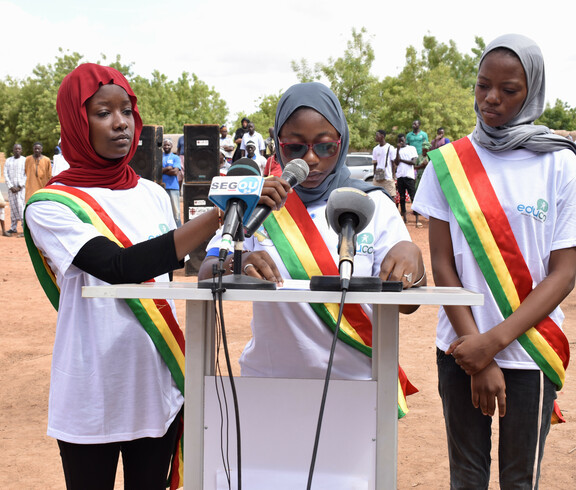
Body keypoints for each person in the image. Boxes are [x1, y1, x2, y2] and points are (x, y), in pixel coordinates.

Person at [23, 63, 288, 490]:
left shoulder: (150, 193)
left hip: (156, 382)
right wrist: (223, 210)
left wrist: (233, 260)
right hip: (94, 388)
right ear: (76, 121)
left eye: (126, 110)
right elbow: (120, 268)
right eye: (102, 112)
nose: (120, 123)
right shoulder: (50, 205)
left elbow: (171, 273)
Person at [412, 34, 576, 489]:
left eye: (509, 90)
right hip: (461, 350)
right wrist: (478, 354)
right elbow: (443, 264)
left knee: (521, 480)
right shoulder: (448, 163)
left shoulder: (560, 165)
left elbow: (564, 272)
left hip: (531, 350)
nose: (491, 99)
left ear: (534, 91)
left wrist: (495, 344)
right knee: (466, 478)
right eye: (484, 85)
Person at [198, 82, 424, 402]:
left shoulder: (373, 204)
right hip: (269, 384)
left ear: (341, 142)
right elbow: (207, 272)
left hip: (358, 387)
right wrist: (239, 261)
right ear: (278, 144)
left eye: (325, 146)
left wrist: (412, 257)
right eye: (294, 147)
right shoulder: (259, 204)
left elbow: (409, 303)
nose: (310, 160)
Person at [393, 133, 419, 226]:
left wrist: (401, 160)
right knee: (402, 198)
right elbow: (396, 162)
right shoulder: (396, 150)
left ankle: (417, 220)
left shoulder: (411, 148)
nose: (401, 141)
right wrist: (398, 151)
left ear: (405, 140)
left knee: (413, 197)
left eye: (402, 140)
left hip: (409, 176)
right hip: (400, 176)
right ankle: (404, 219)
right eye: (399, 140)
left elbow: (413, 162)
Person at [3, 143, 26, 235]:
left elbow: (26, 174)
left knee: (21, 208)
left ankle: (24, 229)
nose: (17, 150)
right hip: (11, 190)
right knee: (12, 208)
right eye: (15, 149)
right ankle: (13, 228)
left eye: (19, 149)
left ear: (21, 150)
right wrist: (11, 186)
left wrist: (20, 186)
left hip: (21, 190)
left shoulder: (24, 160)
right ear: (13, 150)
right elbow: (5, 174)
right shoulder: (8, 161)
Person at [161, 138, 182, 227]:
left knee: (176, 213)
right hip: (161, 187)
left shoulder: (175, 157)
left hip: (173, 187)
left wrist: (162, 170)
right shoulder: (159, 156)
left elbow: (175, 172)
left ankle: (180, 232)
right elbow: (155, 171)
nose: (166, 146)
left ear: (172, 146)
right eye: (165, 145)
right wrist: (168, 168)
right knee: (163, 211)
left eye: (168, 145)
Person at [371, 129, 395, 198]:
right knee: (377, 196)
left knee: (390, 197)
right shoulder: (375, 149)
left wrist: (393, 176)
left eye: (377, 135)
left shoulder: (390, 148)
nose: (375, 137)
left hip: (388, 177)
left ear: (382, 136)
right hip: (378, 177)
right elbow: (375, 163)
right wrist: (374, 176)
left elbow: (393, 163)